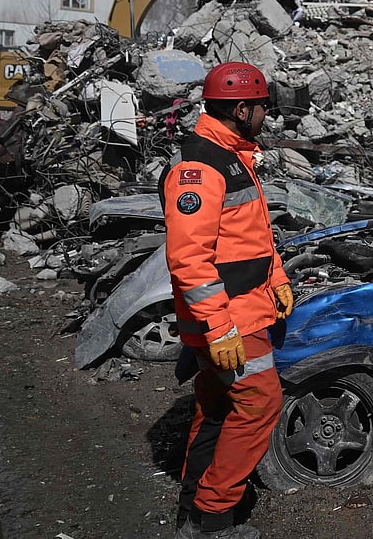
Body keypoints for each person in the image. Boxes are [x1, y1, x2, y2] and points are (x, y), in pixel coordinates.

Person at [160, 61, 294, 539]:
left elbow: (251, 234)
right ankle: (213, 519)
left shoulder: (233, 154)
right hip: (228, 323)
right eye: (260, 107)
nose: (265, 115)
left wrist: (276, 275)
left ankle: (191, 510)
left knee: (217, 408)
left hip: (242, 312)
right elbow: (189, 260)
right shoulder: (200, 168)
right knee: (259, 404)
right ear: (241, 108)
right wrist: (218, 328)